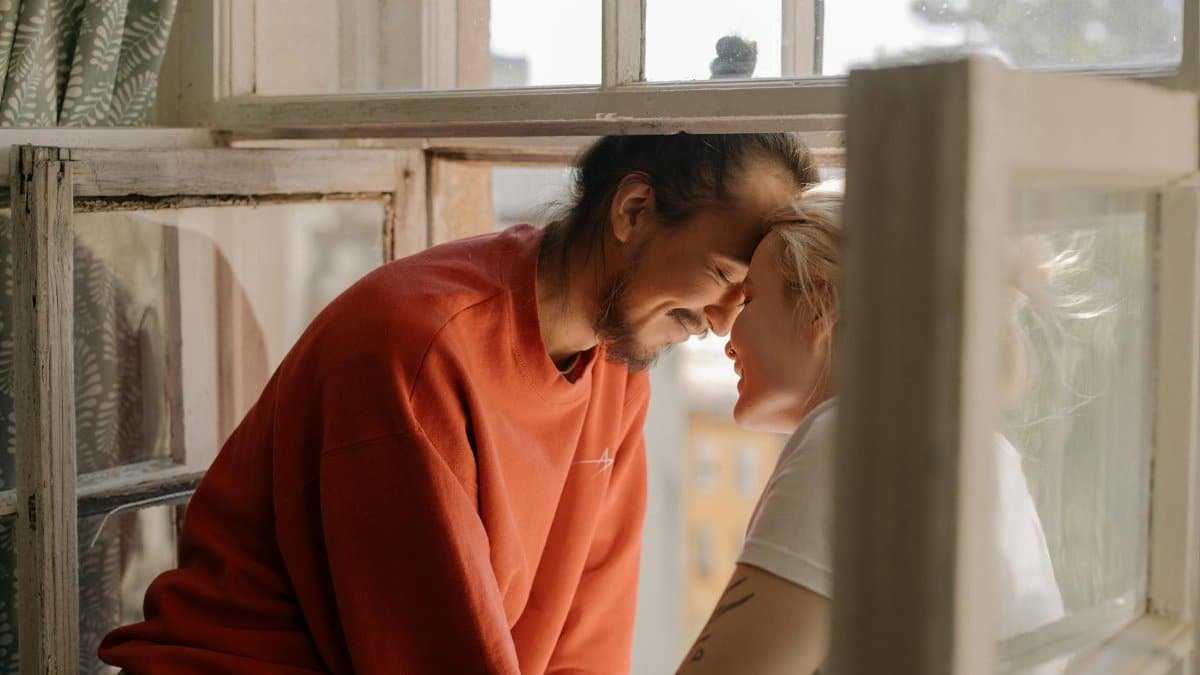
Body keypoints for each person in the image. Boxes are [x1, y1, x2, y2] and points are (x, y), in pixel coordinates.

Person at [99, 133, 820, 674]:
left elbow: (585, 648)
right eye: (721, 275)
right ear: (632, 209)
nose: (723, 321)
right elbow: (433, 653)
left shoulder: (618, 369)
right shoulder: (419, 347)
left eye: (744, 295)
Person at [677, 183, 1066, 674]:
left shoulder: (853, 442)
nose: (725, 337)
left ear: (821, 304)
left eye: (749, 299)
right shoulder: (986, 453)